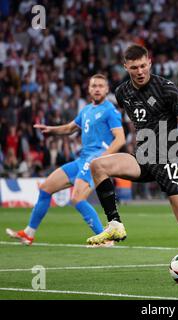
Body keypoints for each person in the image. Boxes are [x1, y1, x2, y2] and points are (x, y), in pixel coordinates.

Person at [86, 45, 178, 255]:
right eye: (134, 67)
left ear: (150, 62)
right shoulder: (122, 92)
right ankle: (114, 225)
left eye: (143, 66)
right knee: (98, 165)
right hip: (143, 158)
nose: (139, 71)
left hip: (169, 159)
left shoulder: (166, 89)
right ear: (125, 67)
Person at [6, 74, 126, 246]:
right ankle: (28, 233)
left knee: (77, 199)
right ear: (89, 89)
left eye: (101, 86)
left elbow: (120, 139)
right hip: (81, 160)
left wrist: (101, 160)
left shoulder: (110, 111)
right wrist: (51, 130)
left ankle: (105, 238)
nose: (97, 89)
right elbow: (70, 128)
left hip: (93, 161)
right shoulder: (86, 110)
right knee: (46, 188)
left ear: (107, 89)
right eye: (94, 86)